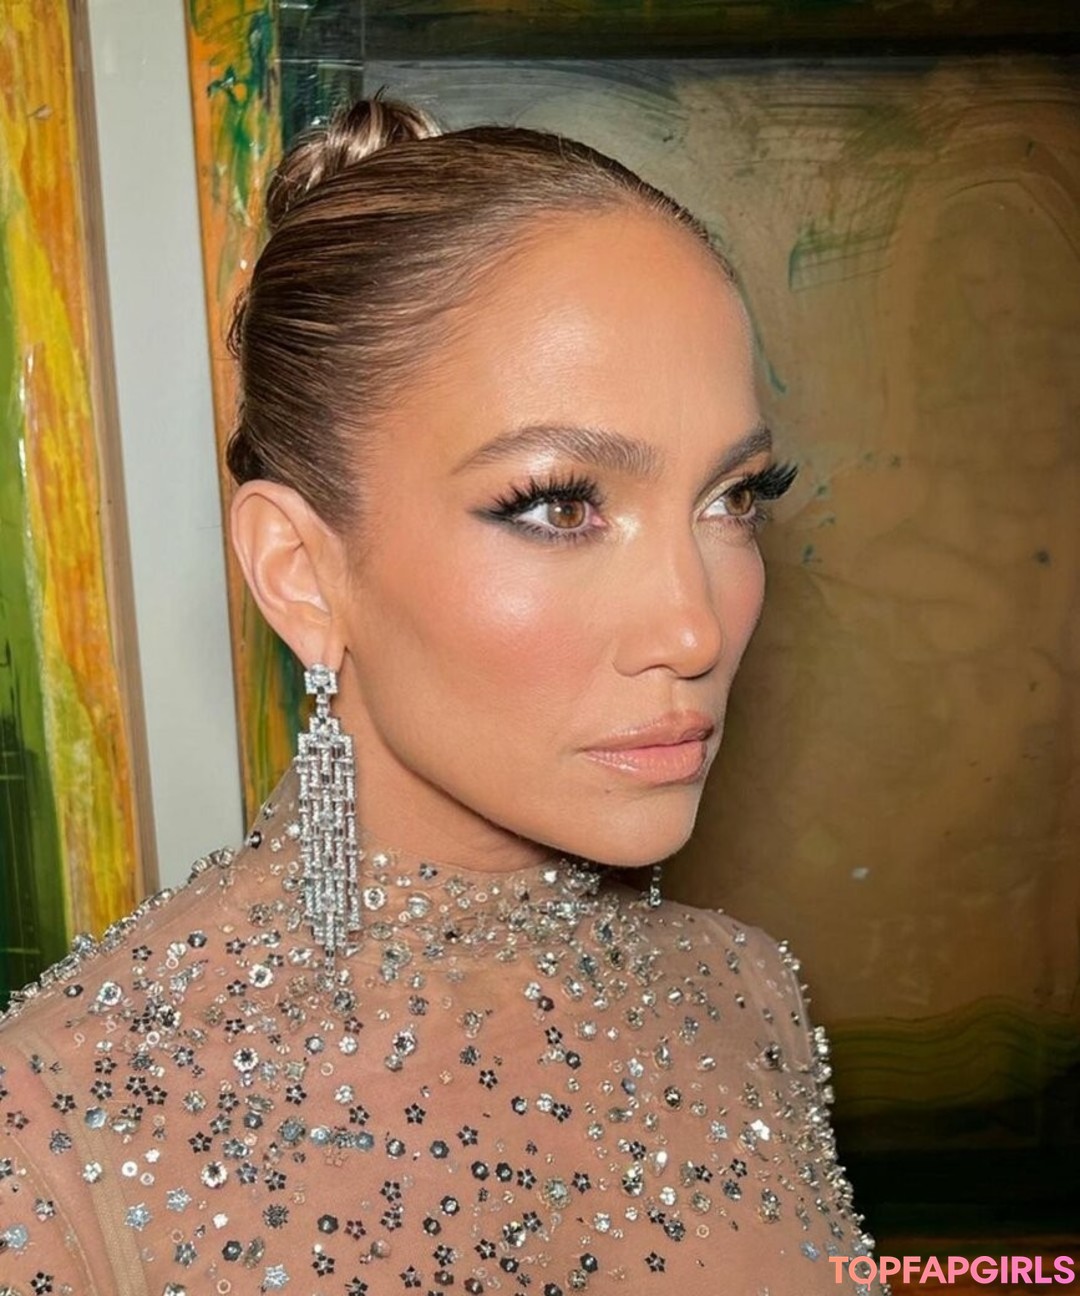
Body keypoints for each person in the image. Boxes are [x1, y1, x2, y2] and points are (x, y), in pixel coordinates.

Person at [0, 93, 886, 1295]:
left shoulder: (745, 996)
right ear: (301, 572)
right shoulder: (52, 1139)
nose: (694, 626)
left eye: (733, 499)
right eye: (560, 505)